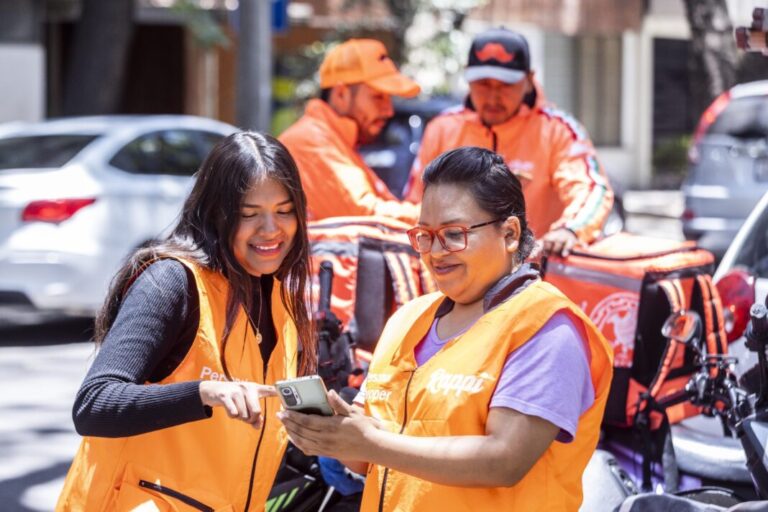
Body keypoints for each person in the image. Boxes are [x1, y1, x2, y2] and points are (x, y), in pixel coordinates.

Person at [278, 147, 614, 511]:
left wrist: (371, 444)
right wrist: (333, 436)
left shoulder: (546, 327)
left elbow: (504, 459)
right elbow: (367, 459)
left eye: (454, 234)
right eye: (425, 235)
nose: (435, 252)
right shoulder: (407, 320)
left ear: (511, 234)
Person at [56, 132, 315, 511]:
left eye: (284, 210)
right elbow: (95, 404)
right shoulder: (171, 282)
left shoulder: (280, 299)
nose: (271, 229)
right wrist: (203, 394)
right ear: (215, 213)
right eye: (248, 214)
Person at [405, 27, 614, 256]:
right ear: (468, 77)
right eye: (483, 83)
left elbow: (590, 188)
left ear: (528, 81)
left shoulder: (558, 131)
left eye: (505, 85)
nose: (494, 96)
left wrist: (571, 229)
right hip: (457, 274)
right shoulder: (442, 129)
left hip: (534, 274)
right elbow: (416, 205)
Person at [279, 38, 421, 223]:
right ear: (341, 94)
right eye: (378, 97)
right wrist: (435, 218)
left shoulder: (330, 139)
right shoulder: (310, 140)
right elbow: (364, 216)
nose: (389, 110)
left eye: (389, 98)